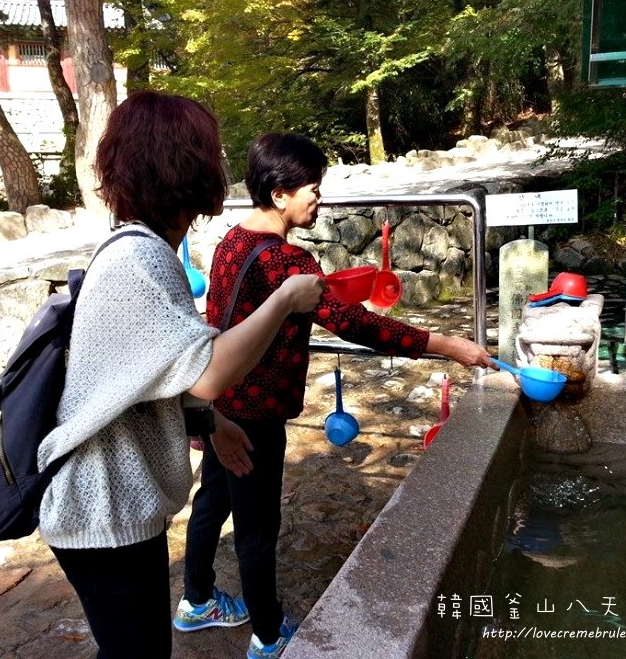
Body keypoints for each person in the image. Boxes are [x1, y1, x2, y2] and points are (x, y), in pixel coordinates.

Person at [176, 133, 495, 659]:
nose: (319, 199)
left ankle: (196, 600)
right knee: (258, 528)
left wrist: (208, 414)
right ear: (279, 194)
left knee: (211, 502)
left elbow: (218, 320)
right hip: (255, 417)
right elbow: (354, 324)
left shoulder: (232, 242)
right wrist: (446, 345)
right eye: (313, 189)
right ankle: (268, 635)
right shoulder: (289, 263)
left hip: (221, 407)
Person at [35, 94, 324, 659]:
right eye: (208, 152)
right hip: (100, 509)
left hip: (120, 507)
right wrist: (286, 299)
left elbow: (157, 373)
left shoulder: (144, 249)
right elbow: (209, 371)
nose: (217, 163)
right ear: (182, 166)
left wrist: (211, 423)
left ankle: (200, 600)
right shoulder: (138, 259)